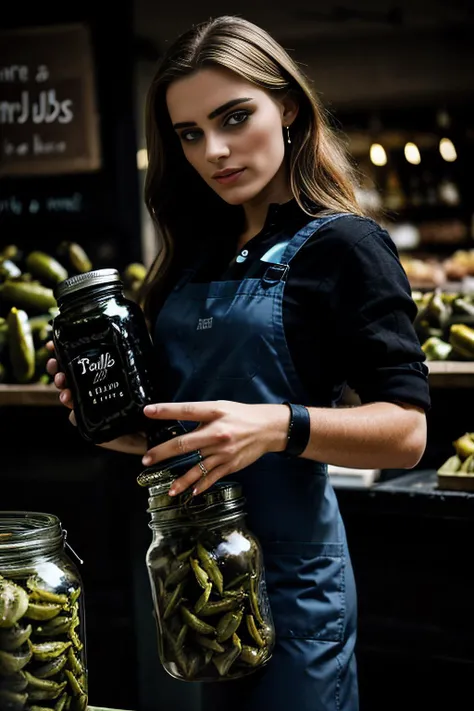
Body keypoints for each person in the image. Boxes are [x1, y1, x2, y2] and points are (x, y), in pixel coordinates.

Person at [47, 14, 430, 711]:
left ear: (286, 105)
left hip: (292, 583)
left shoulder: (345, 246)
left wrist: (275, 425)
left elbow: (407, 433)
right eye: (189, 134)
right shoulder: (189, 258)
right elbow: (183, 437)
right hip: (194, 580)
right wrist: (107, 417)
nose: (214, 149)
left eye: (233, 117)